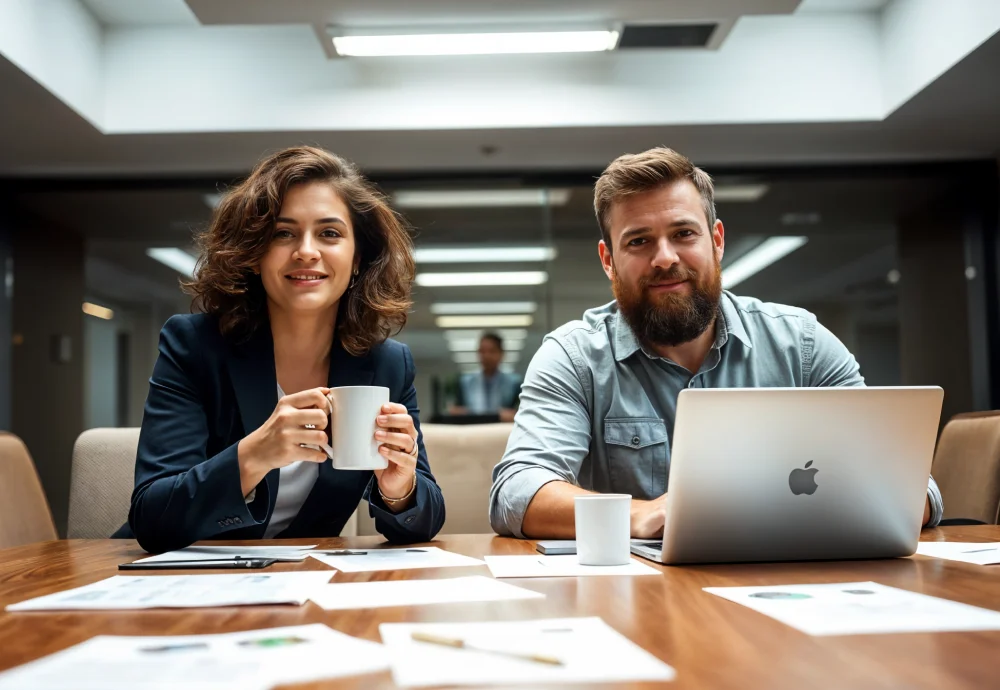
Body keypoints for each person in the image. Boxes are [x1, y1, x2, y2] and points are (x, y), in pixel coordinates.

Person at [489, 147, 943, 539]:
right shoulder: (573, 357)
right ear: (608, 260)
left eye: (683, 234)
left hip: (791, 580)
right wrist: (638, 515)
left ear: (717, 240)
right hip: (637, 596)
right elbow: (517, 492)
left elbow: (915, 489)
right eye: (639, 241)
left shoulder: (802, 344)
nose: (665, 258)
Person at [120, 146, 445, 553]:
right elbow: (152, 517)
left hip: (303, 577)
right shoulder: (194, 346)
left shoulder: (387, 363)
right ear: (254, 255)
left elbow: (425, 519)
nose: (306, 250)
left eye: (329, 233)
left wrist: (401, 489)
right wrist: (254, 455)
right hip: (182, 574)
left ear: (358, 258)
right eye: (283, 233)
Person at [449, 333, 522, 422]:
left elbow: (520, 412)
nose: (486, 356)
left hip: (502, 428)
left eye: (492, 351)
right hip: (473, 427)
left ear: (501, 353)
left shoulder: (514, 383)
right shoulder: (465, 382)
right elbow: (457, 409)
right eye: (482, 351)